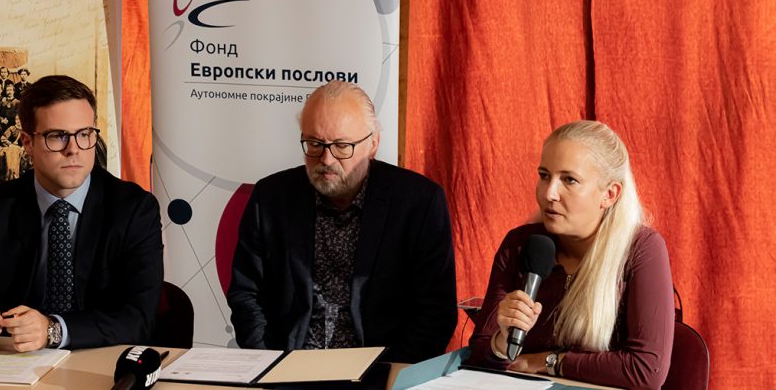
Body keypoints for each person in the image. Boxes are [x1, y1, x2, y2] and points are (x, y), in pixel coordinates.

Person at [0, 75, 163, 351]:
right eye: (57, 136)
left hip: (102, 361)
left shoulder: (134, 208)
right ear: (27, 143)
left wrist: (53, 329)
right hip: (18, 363)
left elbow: (140, 318)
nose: (74, 149)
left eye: (84, 134)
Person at [227, 80, 457, 363]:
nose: (326, 159)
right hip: (286, 367)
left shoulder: (418, 202)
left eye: (342, 146)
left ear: (373, 143)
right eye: (314, 144)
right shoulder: (271, 198)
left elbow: (436, 311)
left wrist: (393, 374)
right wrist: (269, 363)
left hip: (380, 370)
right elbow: (246, 294)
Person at [467, 120, 674, 390]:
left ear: (610, 194)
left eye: (569, 180)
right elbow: (479, 353)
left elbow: (646, 370)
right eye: (544, 175)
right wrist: (501, 340)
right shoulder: (519, 244)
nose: (549, 193)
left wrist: (547, 361)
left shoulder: (642, 249)